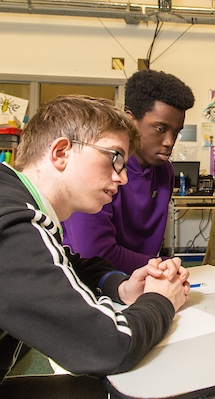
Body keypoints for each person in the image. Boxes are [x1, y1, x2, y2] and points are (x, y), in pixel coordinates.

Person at [0, 95, 190, 398]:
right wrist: (161, 300)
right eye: (114, 157)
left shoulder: (13, 199)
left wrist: (123, 287)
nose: (123, 177)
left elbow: (67, 262)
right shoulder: (13, 223)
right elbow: (108, 346)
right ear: (61, 152)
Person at [62, 69, 195, 274]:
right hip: (88, 282)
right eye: (160, 128)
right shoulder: (96, 168)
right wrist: (160, 264)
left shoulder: (164, 171)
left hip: (142, 280)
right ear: (130, 118)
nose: (170, 142)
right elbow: (93, 253)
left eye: (176, 132)